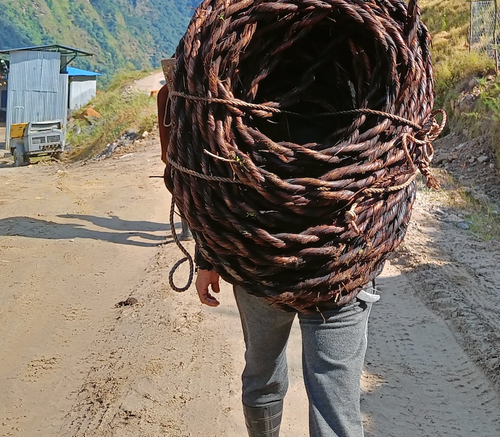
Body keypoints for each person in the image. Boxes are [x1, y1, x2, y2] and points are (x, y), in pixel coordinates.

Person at [156, 66, 378, 437]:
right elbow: (392, 177)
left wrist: (208, 258)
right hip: (341, 265)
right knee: (335, 400)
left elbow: (205, 181)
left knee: (262, 378)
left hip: (261, 262)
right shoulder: (360, 75)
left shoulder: (232, 80)